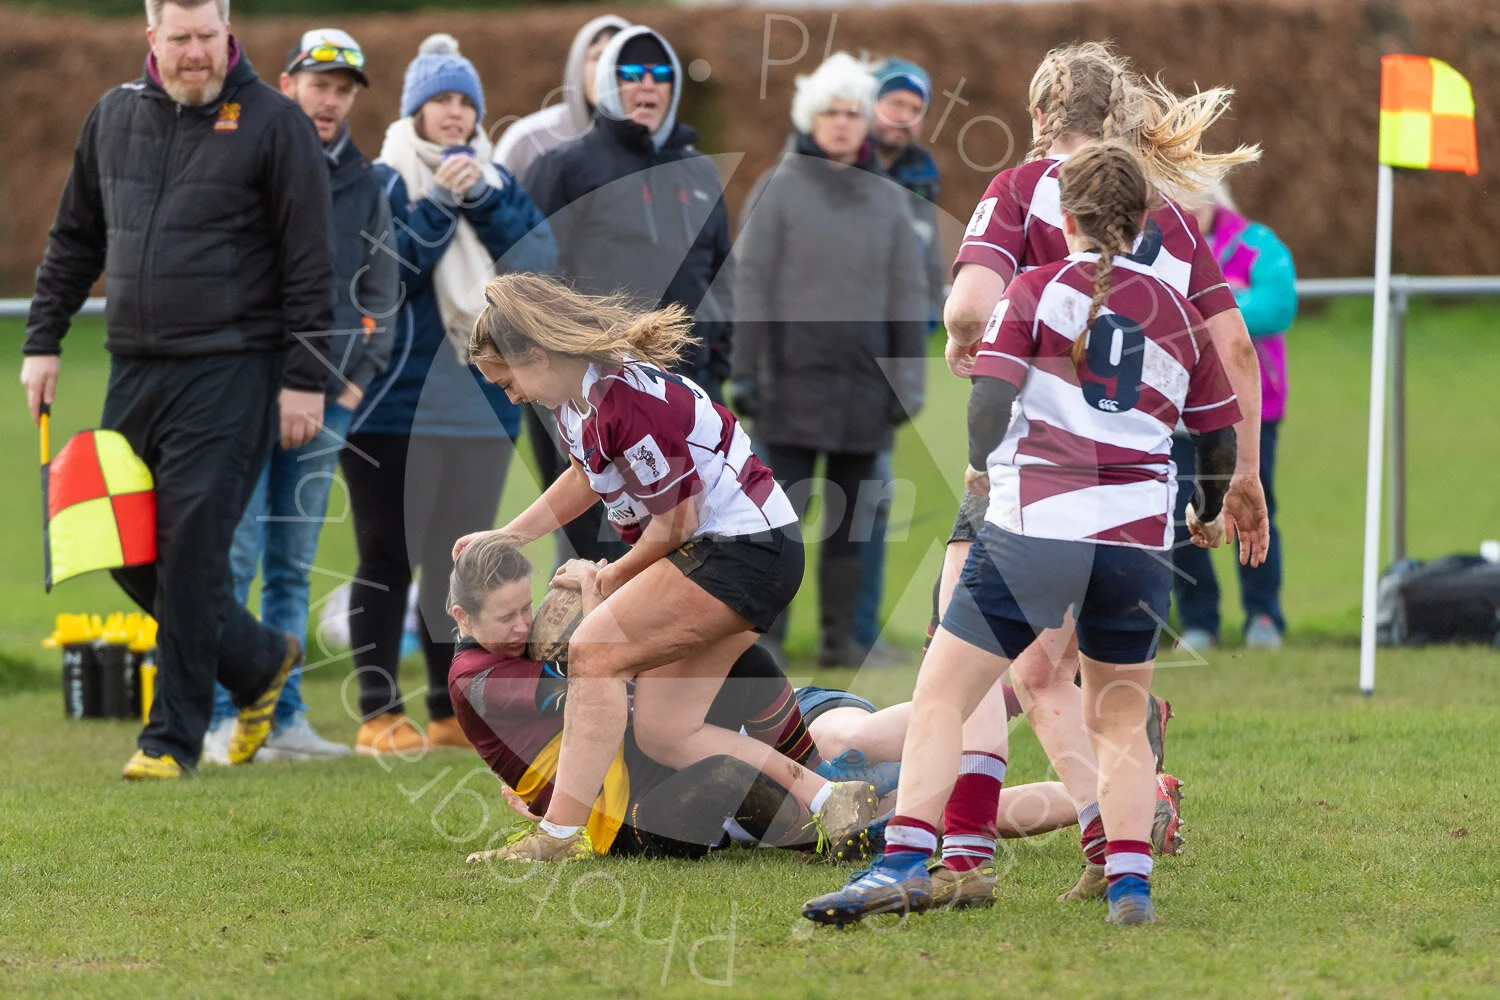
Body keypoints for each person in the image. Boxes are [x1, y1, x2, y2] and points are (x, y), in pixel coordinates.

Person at [803, 142, 1240, 927]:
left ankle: (903, 864)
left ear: (1063, 217)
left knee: (942, 694)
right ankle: (1130, 889)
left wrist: (978, 466)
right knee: (1117, 716)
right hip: (1138, 546)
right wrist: (1207, 510)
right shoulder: (1177, 311)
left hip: (1037, 529)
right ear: (1147, 221)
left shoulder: (1036, 287)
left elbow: (989, 398)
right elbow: (1216, 438)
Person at [923, 41, 1269, 904]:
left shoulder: (1019, 188)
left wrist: (969, 342)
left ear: (1042, 115)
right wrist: (1243, 478)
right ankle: (1116, 834)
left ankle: (961, 854)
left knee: (960, 658)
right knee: (1055, 677)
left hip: (1032, 478)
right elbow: (1232, 348)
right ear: (1120, 120)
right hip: (1136, 497)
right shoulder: (1173, 217)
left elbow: (968, 304)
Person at [449, 272, 881, 864]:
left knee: (592, 652)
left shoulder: (621, 397)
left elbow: (677, 523)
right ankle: (831, 796)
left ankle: (555, 838)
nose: (513, 397)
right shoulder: (580, 401)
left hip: (742, 549)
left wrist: (608, 579)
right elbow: (585, 477)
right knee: (664, 731)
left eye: (509, 381)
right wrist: (510, 534)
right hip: (737, 550)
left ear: (538, 355)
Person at [21, 0, 334, 779]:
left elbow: (310, 261)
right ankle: (258, 660)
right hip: (133, 366)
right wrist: (41, 341)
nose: (197, 53)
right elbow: (74, 238)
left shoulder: (274, 122)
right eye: (180, 38)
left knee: (192, 550)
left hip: (234, 366)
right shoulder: (111, 117)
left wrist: (304, 380)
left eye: (208, 37)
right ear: (151, 38)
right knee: (120, 544)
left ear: (228, 34)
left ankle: (170, 741)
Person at [342, 33, 556, 757]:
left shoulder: (497, 181)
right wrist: (440, 205)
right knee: (385, 555)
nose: (455, 114)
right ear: (414, 111)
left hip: (481, 404)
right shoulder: (384, 179)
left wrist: (486, 200)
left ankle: (446, 707)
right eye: (440, 100)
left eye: (465, 101)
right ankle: (379, 710)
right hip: (389, 407)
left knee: (456, 560)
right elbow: (384, 275)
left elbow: (538, 266)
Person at [200, 27, 397, 764]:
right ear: (287, 85)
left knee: (291, 563)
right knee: (236, 558)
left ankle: (284, 721)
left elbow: (383, 290)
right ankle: (226, 715)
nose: (331, 98)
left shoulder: (365, 182)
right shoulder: (245, 159)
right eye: (320, 83)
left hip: (328, 406)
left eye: (344, 89)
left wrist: (351, 384)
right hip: (249, 397)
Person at [448, 536, 884, 858]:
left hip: (652, 764)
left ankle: (826, 781)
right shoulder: (472, 679)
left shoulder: (510, 645)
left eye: (527, 608)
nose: (523, 628)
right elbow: (586, 672)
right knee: (724, 775)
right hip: (627, 821)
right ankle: (832, 840)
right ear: (462, 617)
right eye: (506, 617)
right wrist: (592, 593)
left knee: (744, 664)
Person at [729, 53, 928, 667]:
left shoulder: (888, 201)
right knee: (775, 523)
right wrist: (745, 370)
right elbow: (751, 284)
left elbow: (908, 294)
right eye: (830, 112)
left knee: (854, 525)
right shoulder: (778, 186)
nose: (842, 123)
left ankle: (843, 640)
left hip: (864, 390)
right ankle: (765, 641)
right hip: (789, 384)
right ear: (809, 118)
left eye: (852, 112)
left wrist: (908, 382)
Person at [522, 25, 734, 405]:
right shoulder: (564, 167)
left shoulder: (701, 171)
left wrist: (717, 359)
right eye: (632, 74)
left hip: (693, 387)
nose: (648, 84)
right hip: (602, 384)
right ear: (608, 83)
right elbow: (532, 278)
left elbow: (722, 274)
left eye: (661, 74)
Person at [495, 14, 629, 568]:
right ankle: (570, 627)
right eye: (596, 54)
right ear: (579, 64)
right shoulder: (531, 141)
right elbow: (507, 246)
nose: (609, 68)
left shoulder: (653, 153)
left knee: (638, 495)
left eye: (621, 55)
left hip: (627, 355)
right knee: (573, 491)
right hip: (549, 355)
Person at [1173, 186, 1297, 650]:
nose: (1187, 208)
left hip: (1252, 408)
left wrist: (1208, 315)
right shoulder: (1157, 245)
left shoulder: (1255, 242)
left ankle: (1263, 615)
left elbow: (1278, 303)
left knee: (1254, 504)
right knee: (1178, 513)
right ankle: (1198, 620)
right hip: (1181, 408)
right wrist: (1230, 306)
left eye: (1194, 198)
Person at [852, 56, 946, 663]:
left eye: (915, 108)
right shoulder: (831, 162)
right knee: (778, 501)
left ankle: (859, 634)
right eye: (894, 103)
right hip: (819, 357)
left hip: (884, 361)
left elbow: (923, 256)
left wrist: (926, 325)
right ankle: (758, 634)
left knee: (871, 499)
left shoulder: (919, 173)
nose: (903, 118)